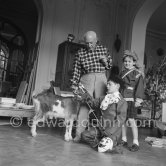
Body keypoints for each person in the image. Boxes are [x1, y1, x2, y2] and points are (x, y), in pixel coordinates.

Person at [70, 31, 112, 142]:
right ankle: (78, 135)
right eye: (87, 43)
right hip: (86, 79)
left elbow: (109, 66)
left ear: (96, 40)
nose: (89, 45)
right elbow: (76, 70)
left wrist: (105, 61)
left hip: (101, 79)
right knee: (84, 106)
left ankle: (99, 134)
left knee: (101, 106)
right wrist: (74, 85)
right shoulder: (80, 52)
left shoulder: (104, 49)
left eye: (91, 43)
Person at [80, 75, 127, 153]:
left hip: (112, 132)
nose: (107, 86)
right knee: (84, 135)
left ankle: (105, 144)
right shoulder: (103, 98)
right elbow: (93, 104)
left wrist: (109, 131)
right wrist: (85, 94)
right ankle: (99, 144)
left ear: (117, 86)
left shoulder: (122, 102)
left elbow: (120, 119)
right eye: (107, 84)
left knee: (106, 145)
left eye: (110, 84)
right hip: (100, 129)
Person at [120, 50, 144, 152]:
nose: (127, 63)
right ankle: (123, 140)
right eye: (125, 61)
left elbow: (139, 88)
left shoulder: (137, 74)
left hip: (131, 101)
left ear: (134, 62)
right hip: (121, 100)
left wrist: (138, 100)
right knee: (122, 121)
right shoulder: (122, 73)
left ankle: (135, 142)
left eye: (129, 61)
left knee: (131, 121)